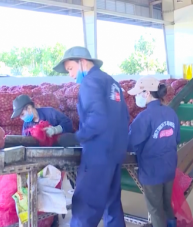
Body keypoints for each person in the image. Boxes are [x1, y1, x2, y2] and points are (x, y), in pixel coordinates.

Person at [53, 46, 129, 227]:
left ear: (83, 62)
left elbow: (98, 118)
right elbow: (124, 116)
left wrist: (77, 137)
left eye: (71, 69)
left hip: (97, 155)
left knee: (85, 207)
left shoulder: (90, 83)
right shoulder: (111, 82)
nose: (70, 75)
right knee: (112, 206)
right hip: (116, 153)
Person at [127, 76, 180, 227]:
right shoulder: (171, 113)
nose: (137, 97)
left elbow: (131, 144)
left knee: (155, 209)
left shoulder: (144, 117)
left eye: (139, 93)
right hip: (169, 167)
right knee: (166, 204)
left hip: (152, 170)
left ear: (147, 93)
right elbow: (176, 139)